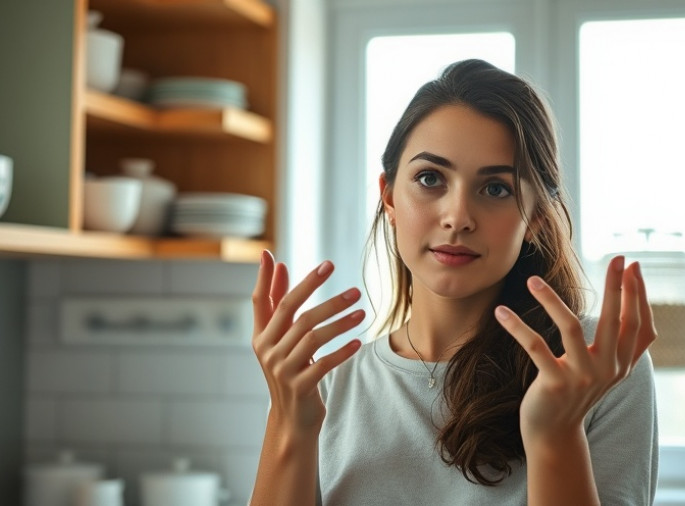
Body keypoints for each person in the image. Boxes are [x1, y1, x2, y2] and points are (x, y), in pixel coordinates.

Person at [250, 59, 658, 506]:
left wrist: (555, 434)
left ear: (537, 217)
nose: (458, 217)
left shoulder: (594, 367)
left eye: (497, 188)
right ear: (388, 196)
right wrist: (289, 424)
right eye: (430, 179)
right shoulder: (325, 390)